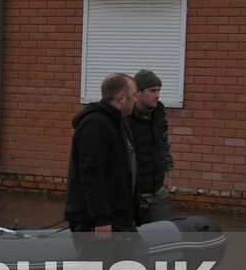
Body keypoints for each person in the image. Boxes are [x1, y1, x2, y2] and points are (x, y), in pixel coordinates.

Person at [64, 72, 138, 234]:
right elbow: (91, 173)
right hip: (95, 222)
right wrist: (101, 219)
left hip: (119, 217)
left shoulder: (120, 123)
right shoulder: (96, 125)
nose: (136, 99)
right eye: (133, 95)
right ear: (121, 97)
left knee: (135, 258)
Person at [130, 68, 175, 224]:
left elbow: (163, 142)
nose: (157, 95)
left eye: (159, 90)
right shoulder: (125, 115)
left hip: (157, 190)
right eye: (152, 90)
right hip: (133, 192)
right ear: (138, 92)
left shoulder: (159, 110)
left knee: (164, 233)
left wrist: (169, 171)